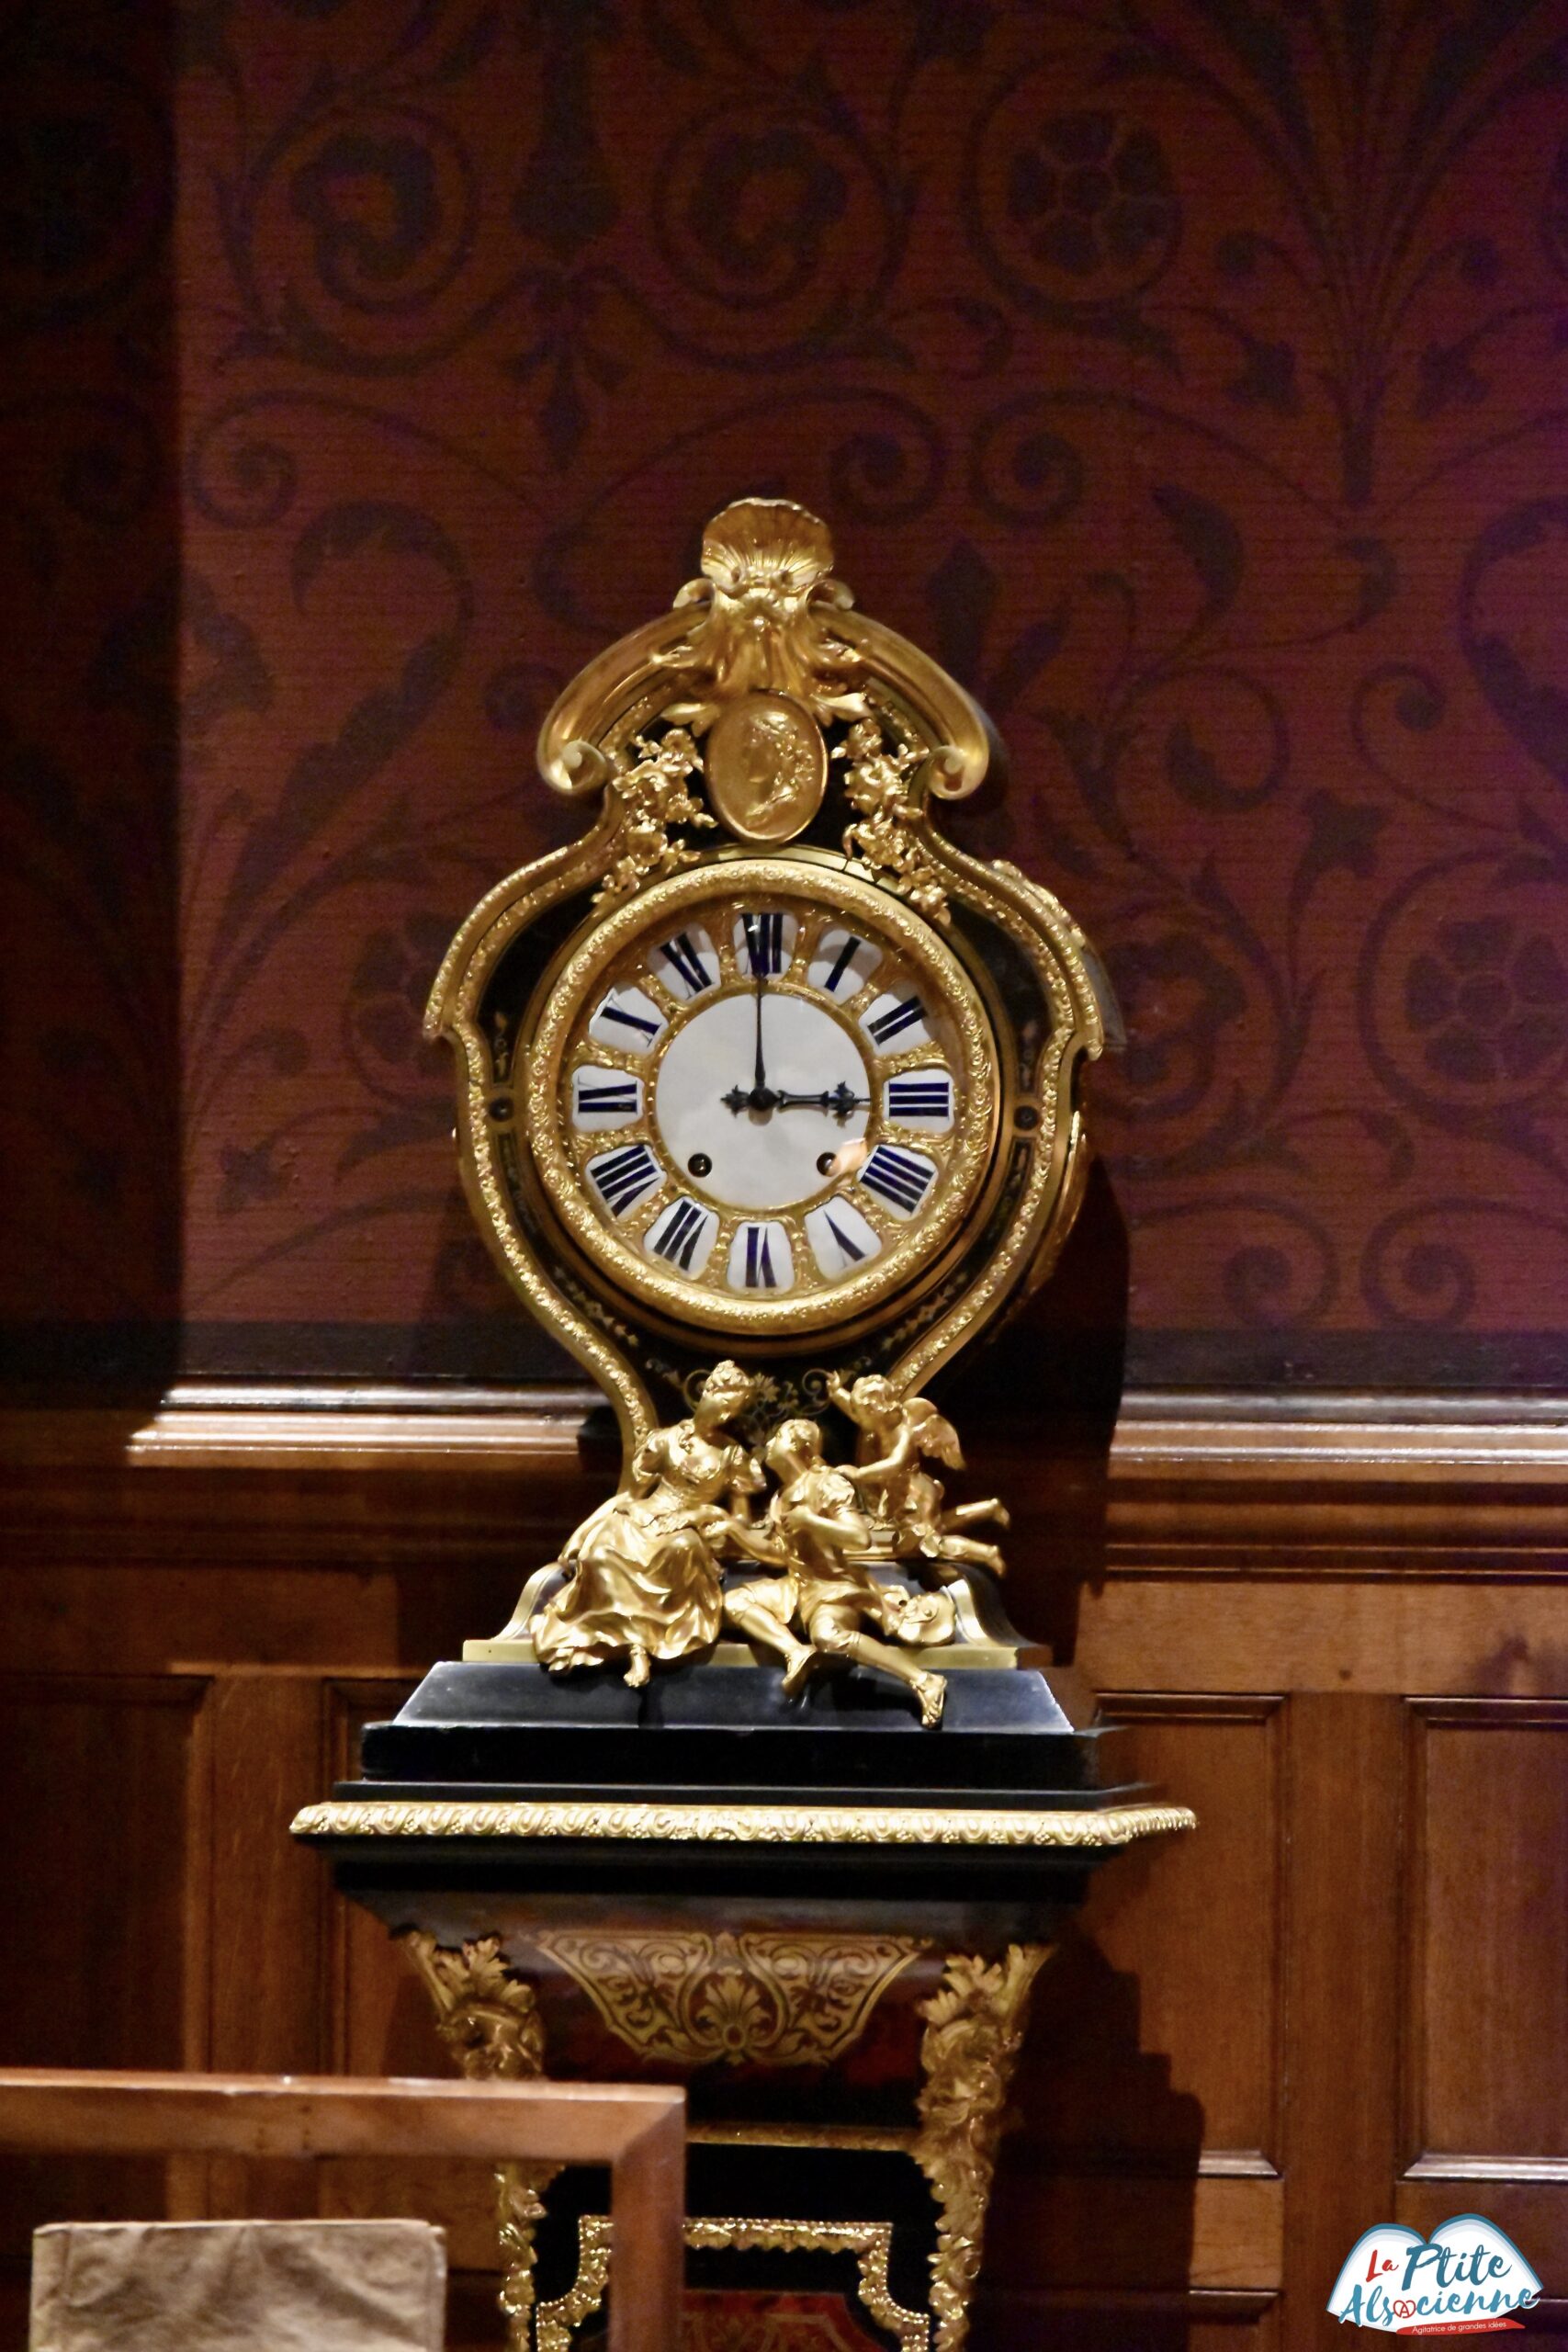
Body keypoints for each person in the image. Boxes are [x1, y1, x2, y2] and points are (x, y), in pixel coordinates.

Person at [533, 1360, 777, 1687]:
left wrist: (702, 1514)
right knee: (602, 1550)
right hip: (643, 1517)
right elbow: (628, 1497)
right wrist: (581, 1532)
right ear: (706, 1393)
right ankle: (633, 1646)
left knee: (682, 1549)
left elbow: (740, 1518)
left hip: (687, 1529)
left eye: (732, 1411)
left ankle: (645, 1643)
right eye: (722, 1404)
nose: (724, 1416)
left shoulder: (731, 1455)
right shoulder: (664, 1440)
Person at [725, 1417, 950, 1727]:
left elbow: (860, 1537)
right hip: (796, 1587)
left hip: (831, 1586)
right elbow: (780, 1553)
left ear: (795, 1446)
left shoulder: (826, 1484)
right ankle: (795, 1652)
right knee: (734, 1601)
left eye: (776, 1438)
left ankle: (923, 1679)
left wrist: (810, 1521)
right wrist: (733, 1531)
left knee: (828, 1636)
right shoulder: (780, 1498)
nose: (768, 1446)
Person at [827, 1372, 1009, 1577]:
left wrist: (860, 1474)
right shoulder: (878, 1424)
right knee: (930, 1528)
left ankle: (985, 1553)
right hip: (897, 1493)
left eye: (861, 1413)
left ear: (876, 1409)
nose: (858, 1418)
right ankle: (988, 1508)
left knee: (927, 1541)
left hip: (915, 1493)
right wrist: (836, 1392)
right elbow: (855, 1412)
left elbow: (895, 1463)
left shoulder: (903, 1431)